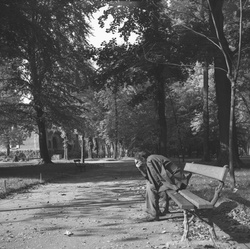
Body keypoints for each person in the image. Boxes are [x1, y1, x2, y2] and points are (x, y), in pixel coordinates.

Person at [134, 152, 192, 222]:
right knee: (150, 185)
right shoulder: (151, 159)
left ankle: (153, 214)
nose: (137, 162)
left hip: (177, 182)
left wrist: (158, 187)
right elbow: (150, 177)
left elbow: (156, 178)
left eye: (138, 160)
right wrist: (140, 168)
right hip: (175, 180)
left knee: (151, 187)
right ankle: (155, 212)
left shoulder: (150, 160)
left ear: (142, 159)